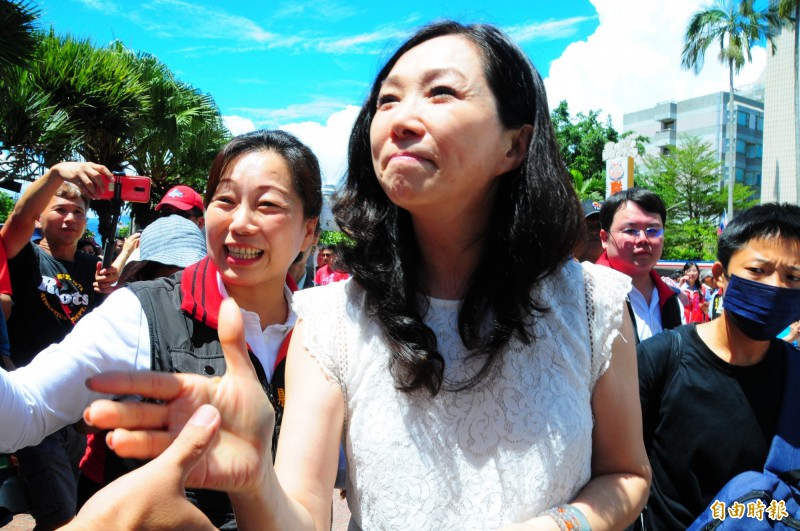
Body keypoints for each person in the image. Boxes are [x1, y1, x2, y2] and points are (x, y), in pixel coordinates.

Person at [80, 21, 650, 530]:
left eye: (441, 92)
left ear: (515, 143)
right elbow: (302, 519)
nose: (400, 119)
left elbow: (627, 476)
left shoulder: (593, 302)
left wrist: (562, 525)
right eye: (386, 102)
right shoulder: (331, 322)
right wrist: (256, 479)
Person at [0, 130, 321, 528]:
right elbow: (23, 411)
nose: (239, 223)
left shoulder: (322, 330)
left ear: (309, 230)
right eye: (225, 200)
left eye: (268, 204)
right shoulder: (139, 312)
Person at [637, 203, 800, 530]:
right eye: (758, 270)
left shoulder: (796, 373)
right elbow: (616, 471)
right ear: (720, 276)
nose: (776, 287)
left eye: (793, 277)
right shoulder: (661, 359)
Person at [0, 162, 119, 530]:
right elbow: (18, 218)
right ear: (40, 219)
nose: (70, 218)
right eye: (60, 209)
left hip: (77, 412)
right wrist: (56, 174)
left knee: (63, 510)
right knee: (63, 514)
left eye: (78, 212)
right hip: (35, 403)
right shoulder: (27, 257)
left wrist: (111, 287)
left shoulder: (91, 266)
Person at [76, 213, 208, 508]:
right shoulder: (124, 318)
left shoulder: (214, 322)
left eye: (186, 276)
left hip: (179, 491)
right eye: (168, 277)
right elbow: (82, 421)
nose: (175, 288)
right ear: (142, 276)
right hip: (109, 483)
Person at [597, 188, 682, 343]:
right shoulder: (588, 294)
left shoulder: (672, 301)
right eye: (630, 230)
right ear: (604, 238)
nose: (643, 239)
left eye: (653, 231)